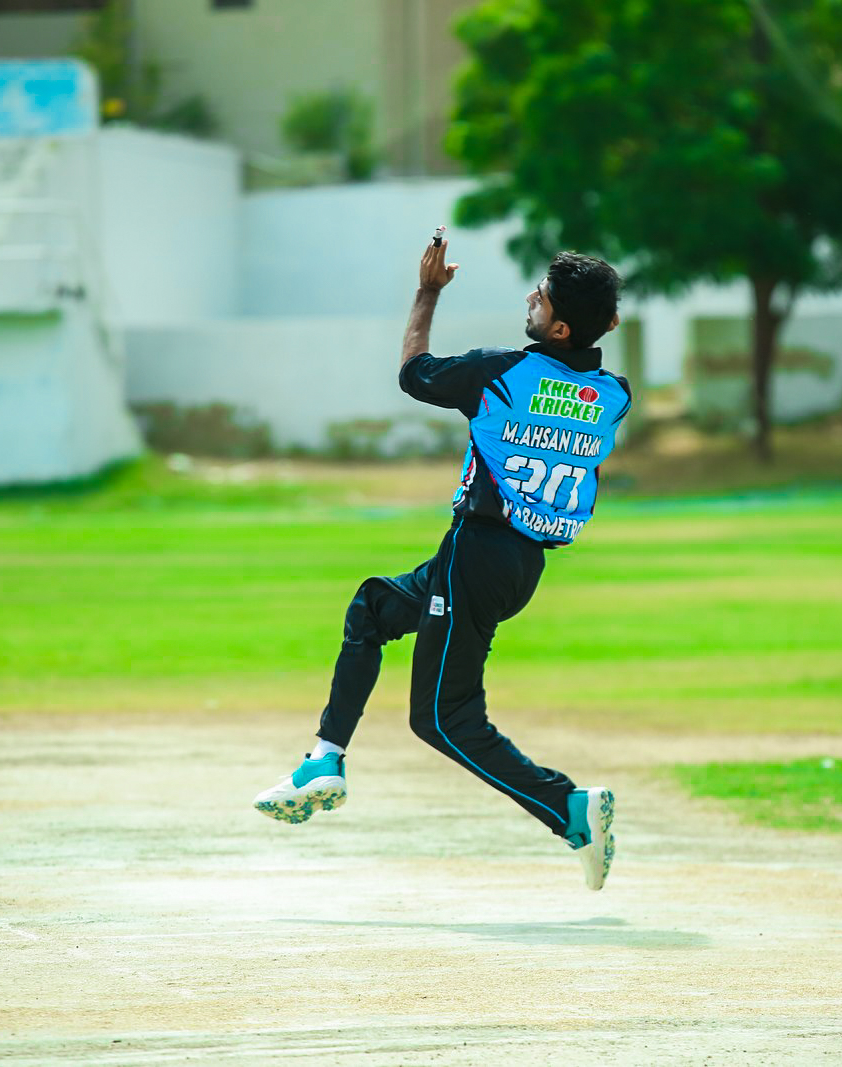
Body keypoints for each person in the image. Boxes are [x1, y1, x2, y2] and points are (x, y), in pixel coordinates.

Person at [253, 230, 631, 891]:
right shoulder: (615, 395)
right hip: (521, 566)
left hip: (475, 554)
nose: (532, 297)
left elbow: (414, 372)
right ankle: (324, 759)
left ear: (560, 327)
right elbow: (566, 395)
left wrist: (427, 291)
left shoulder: (500, 373)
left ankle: (567, 807)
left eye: (542, 297)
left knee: (441, 718)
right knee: (372, 607)